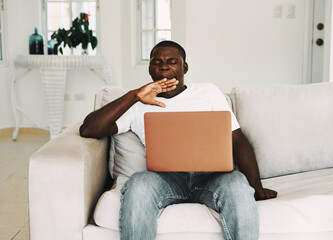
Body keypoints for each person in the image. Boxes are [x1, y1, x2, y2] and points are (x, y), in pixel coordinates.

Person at [80, 40, 277, 240]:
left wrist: (257, 188)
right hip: (166, 179)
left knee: (237, 182)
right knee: (138, 183)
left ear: (185, 67)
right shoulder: (137, 104)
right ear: (149, 69)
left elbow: (238, 141)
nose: (163, 66)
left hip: (212, 178)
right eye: (156, 62)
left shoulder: (208, 92)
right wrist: (134, 96)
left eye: (171, 61)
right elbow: (88, 129)